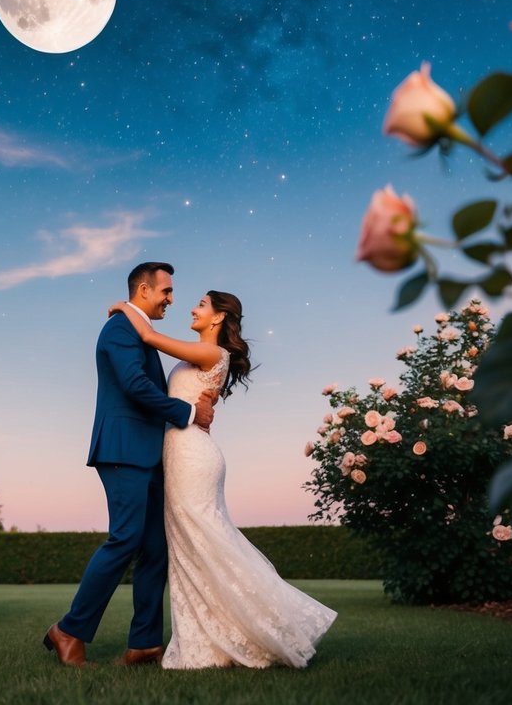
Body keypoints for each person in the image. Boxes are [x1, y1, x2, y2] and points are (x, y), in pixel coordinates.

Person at [110, 289, 337, 669]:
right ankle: (209, 639)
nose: (193, 309)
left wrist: (124, 308)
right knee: (191, 546)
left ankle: (267, 625)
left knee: (205, 541)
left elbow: (149, 338)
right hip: (183, 452)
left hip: (192, 457)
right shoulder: (202, 355)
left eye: (201, 304)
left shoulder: (213, 353)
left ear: (217, 318)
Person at [43, 262, 216, 667]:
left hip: (151, 454)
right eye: (166, 291)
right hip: (122, 450)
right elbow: (135, 385)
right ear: (144, 289)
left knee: (156, 547)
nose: (172, 299)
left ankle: (144, 643)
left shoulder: (135, 327)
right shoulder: (119, 329)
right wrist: (188, 412)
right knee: (125, 539)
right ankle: (68, 630)